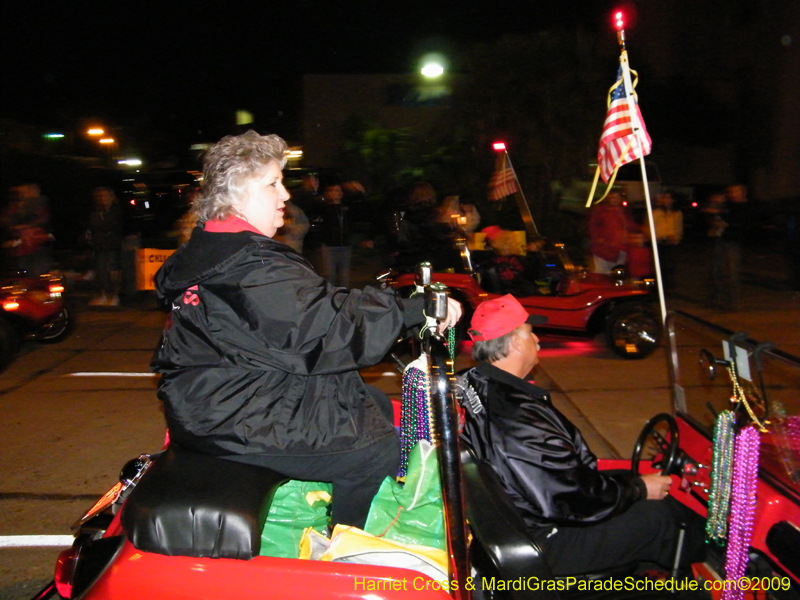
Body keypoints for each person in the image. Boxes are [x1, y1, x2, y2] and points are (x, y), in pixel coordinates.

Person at [150, 130, 461, 530]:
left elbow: (309, 307)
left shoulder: (218, 252)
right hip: (232, 415)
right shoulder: (247, 267)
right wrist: (410, 311)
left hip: (229, 395)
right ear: (237, 195)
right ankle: (351, 554)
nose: (284, 196)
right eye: (272, 184)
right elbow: (323, 330)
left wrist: (393, 306)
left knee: (374, 404)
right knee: (376, 450)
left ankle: (331, 508)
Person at [458, 295, 704, 576]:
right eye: (530, 333)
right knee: (661, 517)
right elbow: (569, 499)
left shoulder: (472, 382)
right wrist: (639, 488)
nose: (537, 340)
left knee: (628, 484)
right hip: (541, 542)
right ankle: (713, 579)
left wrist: (627, 483)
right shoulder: (517, 419)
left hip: (509, 515)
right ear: (514, 342)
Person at [87, 186, 123, 306]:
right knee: (101, 272)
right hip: (100, 246)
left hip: (113, 246)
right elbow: (93, 226)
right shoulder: (96, 212)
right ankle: (103, 295)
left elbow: (114, 226)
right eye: (99, 196)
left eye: (104, 196)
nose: (102, 199)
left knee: (113, 272)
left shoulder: (116, 211)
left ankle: (114, 296)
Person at [588, 191, 633, 274]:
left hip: (621, 249)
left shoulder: (624, 212)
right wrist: (600, 240)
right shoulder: (602, 211)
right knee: (602, 272)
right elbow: (593, 227)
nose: (615, 200)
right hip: (604, 249)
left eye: (617, 197)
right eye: (612, 197)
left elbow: (630, 228)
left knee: (617, 272)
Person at [318, 182, 352, 287]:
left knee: (344, 276)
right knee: (329, 275)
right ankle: (328, 298)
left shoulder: (346, 207)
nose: (339, 193)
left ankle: (344, 297)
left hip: (345, 246)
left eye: (340, 190)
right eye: (336, 190)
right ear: (329, 193)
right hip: (330, 247)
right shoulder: (325, 208)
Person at [647, 191, 683, 292]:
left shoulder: (676, 213)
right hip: (659, 242)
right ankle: (657, 288)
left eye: (668, 198)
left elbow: (678, 227)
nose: (666, 200)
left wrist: (676, 238)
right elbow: (650, 228)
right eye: (664, 198)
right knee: (658, 266)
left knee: (670, 266)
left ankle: (668, 288)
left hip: (671, 243)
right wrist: (659, 237)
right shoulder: (655, 213)